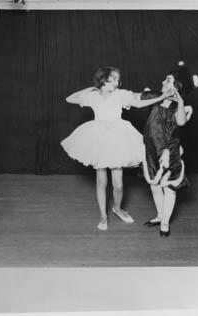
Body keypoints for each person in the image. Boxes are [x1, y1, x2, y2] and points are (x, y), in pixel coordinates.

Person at [62, 67, 172, 231]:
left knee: (118, 185)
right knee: (101, 181)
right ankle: (103, 216)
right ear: (102, 80)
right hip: (98, 137)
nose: (116, 82)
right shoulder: (92, 96)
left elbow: (139, 103)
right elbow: (69, 99)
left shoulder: (120, 95)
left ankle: (117, 208)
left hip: (117, 138)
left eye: (117, 79)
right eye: (112, 79)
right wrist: (91, 88)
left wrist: (162, 97)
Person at [142, 61, 198, 237]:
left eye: (168, 80)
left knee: (169, 187)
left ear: (176, 86)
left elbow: (181, 122)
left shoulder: (181, 106)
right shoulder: (154, 96)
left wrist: (179, 100)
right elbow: (135, 98)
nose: (163, 82)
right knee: (154, 185)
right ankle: (159, 215)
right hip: (151, 149)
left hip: (169, 152)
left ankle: (165, 223)